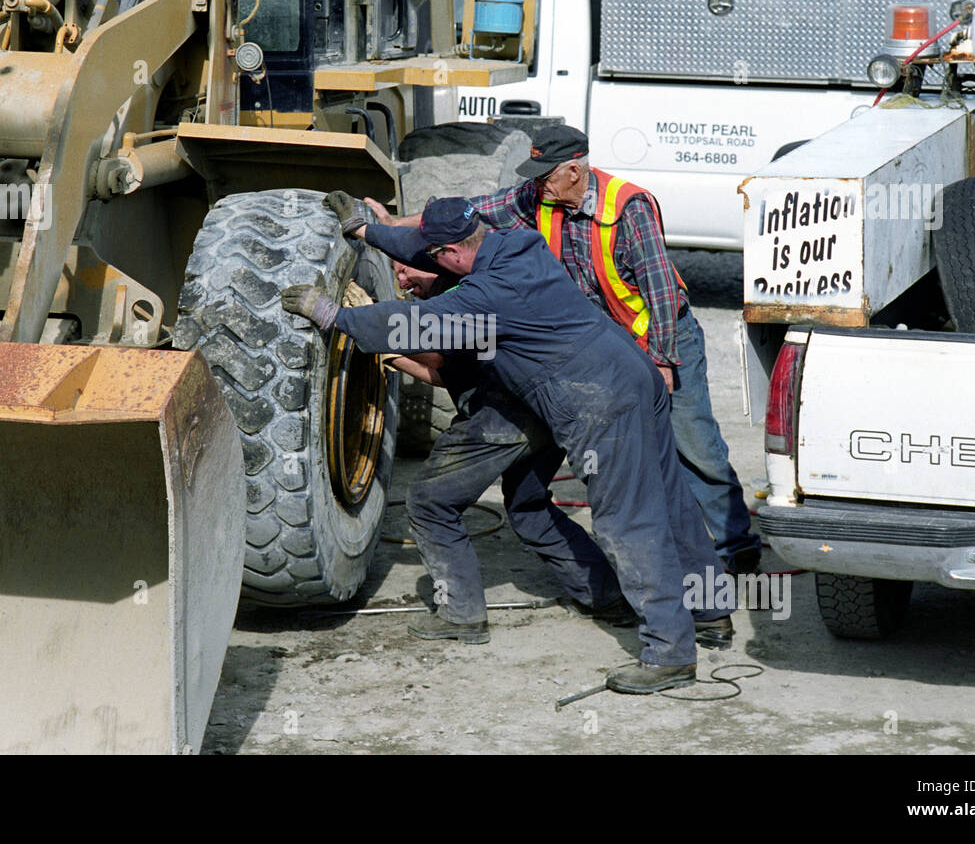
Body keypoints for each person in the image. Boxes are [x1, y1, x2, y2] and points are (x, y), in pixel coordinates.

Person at [282, 197, 732, 694]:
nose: (419, 266)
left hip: (600, 404)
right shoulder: (518, 245)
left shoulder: (486, 296)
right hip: (633, 373)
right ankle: (711, 612)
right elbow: (420, 245)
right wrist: (366, 232)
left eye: (433, 256)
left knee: (630, 521)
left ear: (451, 252)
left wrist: (332, 315)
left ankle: (670, 653)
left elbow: (404, 325)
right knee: (671, 504)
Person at [365, 125, 761, 575]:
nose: (537, 185)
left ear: (574, 170)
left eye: (545, 176)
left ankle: (737, 548)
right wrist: (396, 225)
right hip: (605, 345)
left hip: (659, 335)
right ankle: (662, 557)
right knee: (632, 455)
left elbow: (662, 294)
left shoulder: (629, 207)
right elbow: (475, 213)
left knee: (694, 446)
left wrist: (664, 361)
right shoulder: (539, 197)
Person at [374, 251, 632, 645]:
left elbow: (442, 364)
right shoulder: (489, 284)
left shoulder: (461, 298)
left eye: (405, 270)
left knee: (430, 502)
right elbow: (449, 372)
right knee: (527, 506)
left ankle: (461, 615)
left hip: (503, 414)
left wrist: (376, 335)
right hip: (547, 409)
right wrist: (394, 357)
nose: (403, 281)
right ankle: (606, 596)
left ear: (435, 260)